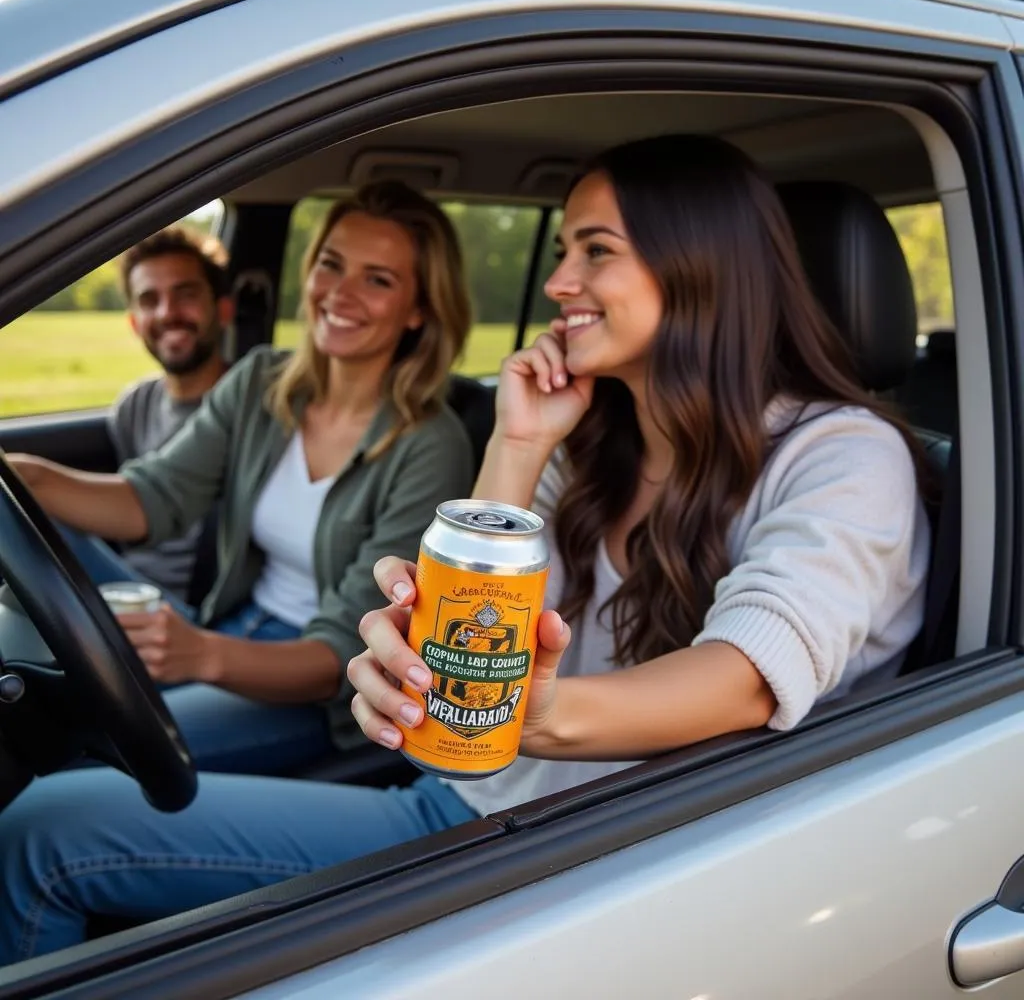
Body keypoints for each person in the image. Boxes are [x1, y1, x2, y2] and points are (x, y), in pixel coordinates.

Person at [0, 135, 930, 966]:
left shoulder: (844, 456)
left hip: (583, 849)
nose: (558, 283)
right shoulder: (593, 443)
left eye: (594, 252)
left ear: (704, 273)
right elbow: (465, 612)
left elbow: (746, 675)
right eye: (563, 250)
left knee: (45, 832)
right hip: (473, 800)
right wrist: (519, 444)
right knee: (55, 809)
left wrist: (497, 713)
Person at [5, 180, 474, 776]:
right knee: (37, 526)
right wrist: (30, 478)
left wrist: (201, 655)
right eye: (331, 265)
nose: (340, 293)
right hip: (229, 623)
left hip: (311, 689)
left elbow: (341, 656)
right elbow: (155, 496)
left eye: (377, 280)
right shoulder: (261, 382)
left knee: (94, 752)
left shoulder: (430, 445)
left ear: (419, 310)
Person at [58, 225, 234, 608]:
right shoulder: (133, 405)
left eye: (185, 295)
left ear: (223, 309)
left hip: (194, 609)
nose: (168, 313)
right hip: (124, 589)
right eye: (149, 300)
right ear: (135, 322)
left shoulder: (249, 409)